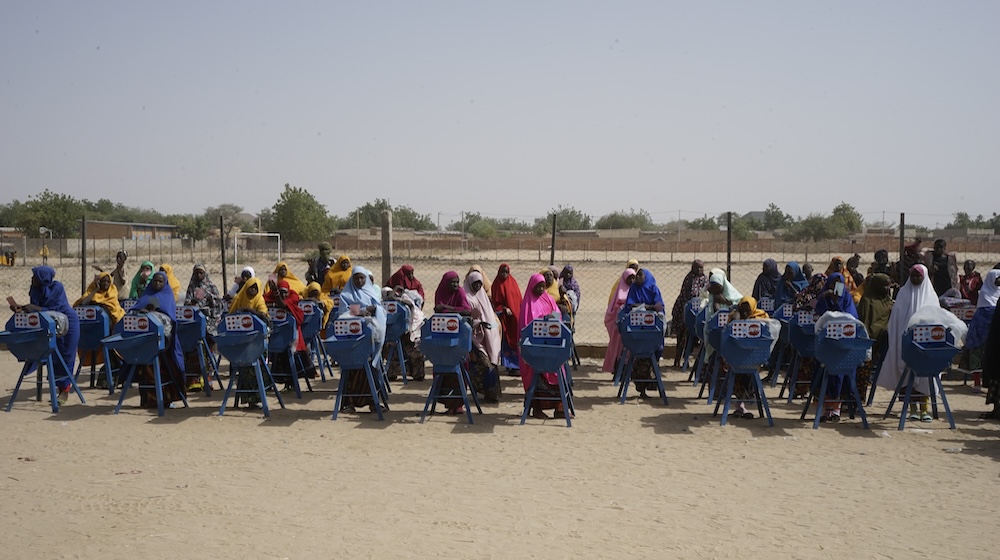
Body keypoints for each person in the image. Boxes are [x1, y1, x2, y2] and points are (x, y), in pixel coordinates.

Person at [877, 264, 939, 422]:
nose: (916, 278)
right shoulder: (903, 295)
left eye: (919, 276)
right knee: (907, 375)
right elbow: (896, 321)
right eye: (913, 276)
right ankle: (911, 408)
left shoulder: (931, 297)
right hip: (905, 343)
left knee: (925, 376)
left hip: (926, 344)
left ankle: (924, 409)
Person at [11, 266, 80, 404]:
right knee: (51, 356)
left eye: (35, 276)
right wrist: (22, 309)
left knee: (64, 356)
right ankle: (59, 389)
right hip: (48, 324)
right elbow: (36, 310)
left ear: (42, 278)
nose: (32, 279)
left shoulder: (57, 288)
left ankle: (64, 390)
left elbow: (57, 309)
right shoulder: (35, 290)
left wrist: (37, 309)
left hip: (66, 324)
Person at [132, 271, 187, 408]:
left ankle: (166, 399)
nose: (157, 283)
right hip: (145, 339)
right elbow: (134, 311)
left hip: (165, 342)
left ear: (165, 283)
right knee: (145, 369)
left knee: (166, 368)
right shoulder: (147, 295)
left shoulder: (167, 296)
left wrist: (155, 314)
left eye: (160, 281)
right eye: (155, 281)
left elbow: (170, 318)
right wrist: (143, 311)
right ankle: (148, 400)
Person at [336, 266, 387, 413]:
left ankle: (373, 403)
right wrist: (361, 311)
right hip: (351, 338)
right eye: (356, 278)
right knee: (352, 367)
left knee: (370, 368)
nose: (359, 281)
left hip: (370, 338)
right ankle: (349, 403)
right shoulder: (346, 295)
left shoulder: (371, 293)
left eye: (362, 278)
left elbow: (380, 311)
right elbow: (344, 313)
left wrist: (371, 309)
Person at [813, 272, 860, 422]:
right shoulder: (824, 297)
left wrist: (837, 302)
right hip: (827, 344)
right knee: (823, 369)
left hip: (844, 345)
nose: (835, 287)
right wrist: (825, 297)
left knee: (841, 372)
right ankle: (827, 409)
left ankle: (836, 408)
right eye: (832, 284)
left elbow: (850, 317)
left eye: (838, 284)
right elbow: (819, 317)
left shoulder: (846, 298)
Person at [518, 273, 566, 419]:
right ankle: (537, 409)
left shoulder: (548, 299)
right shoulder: (527, 305)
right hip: (534, 349)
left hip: (551, 345)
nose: (540, 289)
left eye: (542, 286)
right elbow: (525, 328)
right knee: (537, 375)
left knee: (559, 373)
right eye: (537, 286)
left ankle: (560, 409)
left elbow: (557, 314)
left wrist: (552, 318)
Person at [264, 279, 318, 388]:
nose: (283, 294)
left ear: (288, 292)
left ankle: (291, 383)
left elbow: (283, 304)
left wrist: (276, 293)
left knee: (291, 354)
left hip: (291, 337)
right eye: (281, 292)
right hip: (275, 337)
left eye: (285, 292)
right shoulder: (269, 297)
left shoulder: (293, 297)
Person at [227, 278, 271, 408]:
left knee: (257, 368)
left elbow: (264, 316)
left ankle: (256, 399)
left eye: (255, 288)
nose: (252, 290)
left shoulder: (259, 300)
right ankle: (247, 398)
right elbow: (231, 316)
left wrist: (251, 312)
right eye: (250, 287)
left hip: (257, 342)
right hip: (242, 342)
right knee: (245, 371)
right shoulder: (239, 299)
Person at [624, 268, 665, 398]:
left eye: (640, 275)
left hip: (651, 329)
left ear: (646, 277)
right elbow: (631, 305)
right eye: (637, 275)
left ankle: (650, 386)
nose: (637, 277)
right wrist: (649, 307)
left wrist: (646, 307)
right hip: (636, 328)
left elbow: (659, 307)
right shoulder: (634, 289)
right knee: (639, 353)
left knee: (651, 351)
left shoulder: (653, 289)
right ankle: (641, 389)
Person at [464, 270, 502, 402]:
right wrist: (478, 323)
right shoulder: (466, 297)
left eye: (480, 283)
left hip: (487, 336)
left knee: (493, 363)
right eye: (475, 283)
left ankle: (491, 394)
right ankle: (479, 389)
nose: (478, 286)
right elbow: (465, 319)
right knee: (485, 364)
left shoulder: (483, 297)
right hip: (474, 338)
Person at [857, 272, 895, 401]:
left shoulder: (889, 301)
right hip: (869, 340)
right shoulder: (868, 301)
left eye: (889, 286)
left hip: (884, 342)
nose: (887, 289)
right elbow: (866, 323)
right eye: (884, 286)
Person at [965, 270, 999, 394]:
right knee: (978, 354)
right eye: (997, 279)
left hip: (994, 334)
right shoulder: (985, 294)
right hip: (981, 332)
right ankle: (977, 382)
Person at [670, 260, 707, 367]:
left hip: (699, 310)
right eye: (697, 268)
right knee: (682, 335)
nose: (699, 270)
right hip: (684, 310)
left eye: (701, 268)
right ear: (692, 268)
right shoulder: (689, 279)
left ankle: (691, 360)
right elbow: (688, 295)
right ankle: (677, 360)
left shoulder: (705, 279)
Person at [604, 268, 637, 373]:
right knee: (619, 347)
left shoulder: (636, 290)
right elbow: (612, 310)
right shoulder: (619, 291)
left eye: (633, 278)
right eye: (629, 278)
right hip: (620, 325)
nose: (631, 281)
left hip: (632, 323)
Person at [491, 263, 522, 374]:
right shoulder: (496, 284)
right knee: (506, 343)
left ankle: (517, 365)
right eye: (502, 272)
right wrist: (504, 309)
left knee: (516, 340)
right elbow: (495, 303)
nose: (504, 274)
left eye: (506, 272)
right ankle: (510, 366)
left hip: (515, 318)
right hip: (504, 319)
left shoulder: (512, 283)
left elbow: (518, 299)